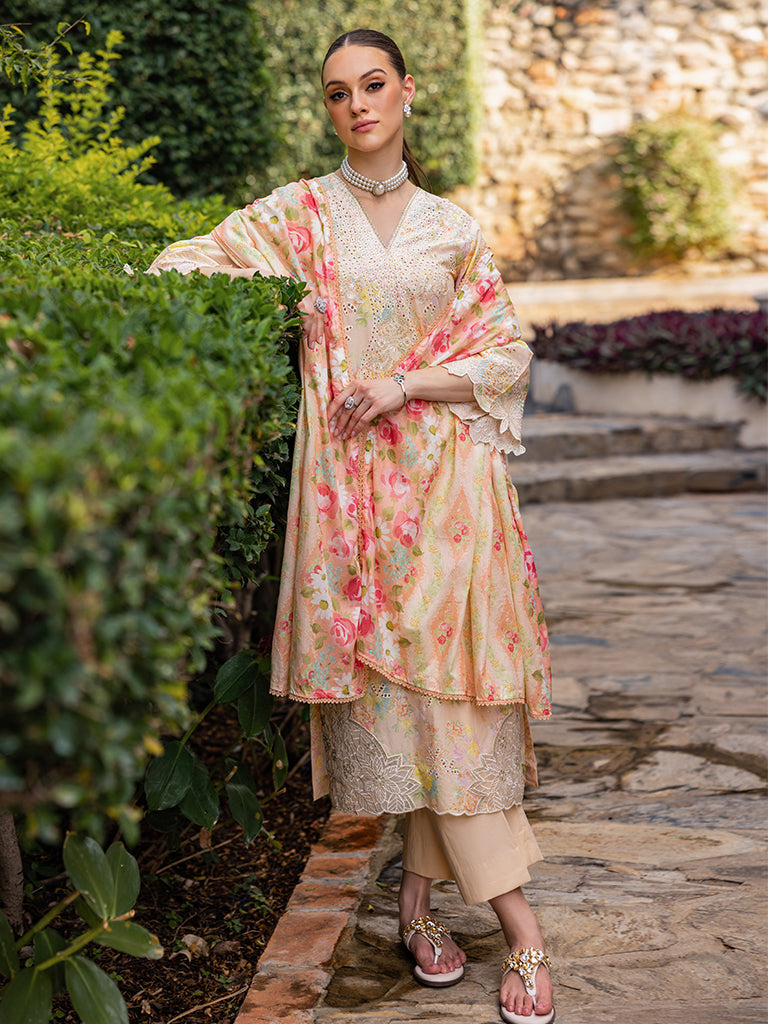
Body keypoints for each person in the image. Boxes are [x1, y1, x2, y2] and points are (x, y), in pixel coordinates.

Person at [147, 28, 555, 1023]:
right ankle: (415, 910)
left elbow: (504, 353)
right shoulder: (298, 215)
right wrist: (266, 307)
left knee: (457, 715)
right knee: (401, 718)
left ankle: (523, 931)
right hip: (355, 508)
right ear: (327, 108)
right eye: (338, 92)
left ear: (407, 92)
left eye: (373, 85)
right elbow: (189, 261)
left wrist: (403, 383)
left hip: (451, 501)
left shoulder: (454, 229)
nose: (358, 104)